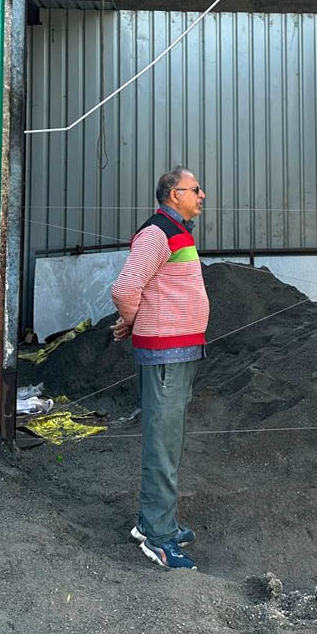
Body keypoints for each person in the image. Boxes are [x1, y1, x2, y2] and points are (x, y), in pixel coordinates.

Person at [111, 166, 208, 571]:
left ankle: (152, 521)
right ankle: (159, 537)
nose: (202, 195)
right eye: (195, 189)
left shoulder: (177, 231)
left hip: (178, 353)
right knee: (163, 444)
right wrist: (136, 320)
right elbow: (125, 288)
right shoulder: (157, 233)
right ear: (174, 195)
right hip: (166, 354)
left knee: (169, 440)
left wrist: (137, 319)